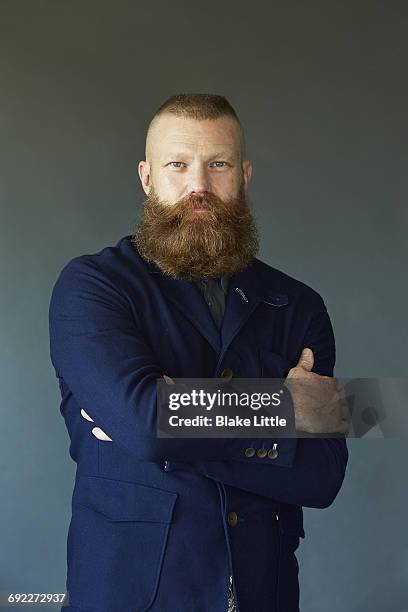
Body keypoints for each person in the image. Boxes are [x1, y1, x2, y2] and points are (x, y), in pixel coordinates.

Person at [48, 93, 349, 612]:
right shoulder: (93, 287)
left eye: (218, 164)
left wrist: (171, 423)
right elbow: (147, 423)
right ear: (147, 177)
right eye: (178, 164)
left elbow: (323, 477)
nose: (199, 185)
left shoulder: (298, 305)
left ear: (245, 175)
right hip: (130, 593)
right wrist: (285, 408)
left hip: (264, 592)